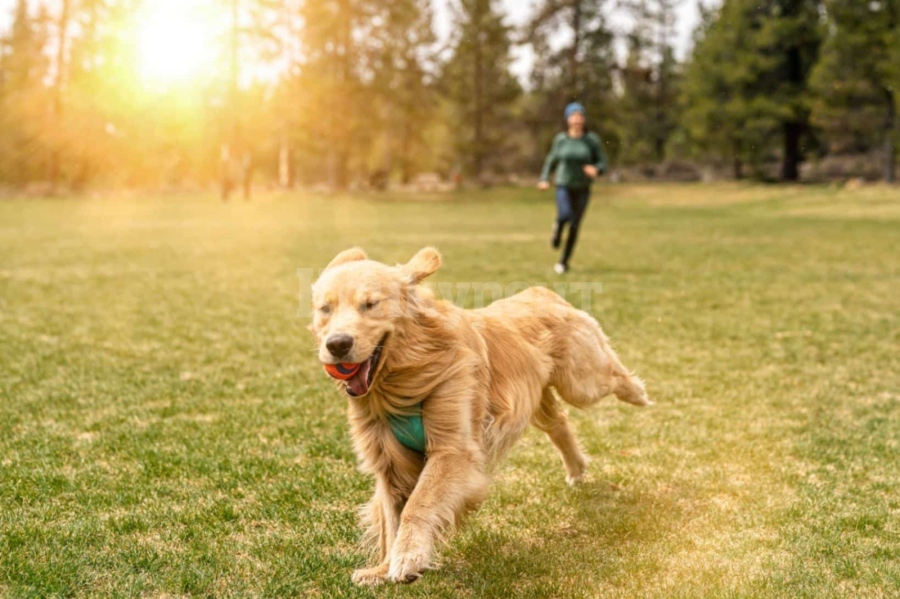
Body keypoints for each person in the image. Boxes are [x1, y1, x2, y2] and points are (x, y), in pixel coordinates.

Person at [538, 102, 608, 274]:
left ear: (584, 119)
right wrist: (544, 178)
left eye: (580, 116)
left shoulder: (591, 140)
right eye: (573, 116)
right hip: (564, 185)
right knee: (565, 214)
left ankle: (563, 262)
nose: (577, 119)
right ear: (568, 119)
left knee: (575, 225)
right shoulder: (561, 140)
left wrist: (596, 169)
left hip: (583, 188)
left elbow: (603, 162)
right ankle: (558, 229)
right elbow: (551, 160)